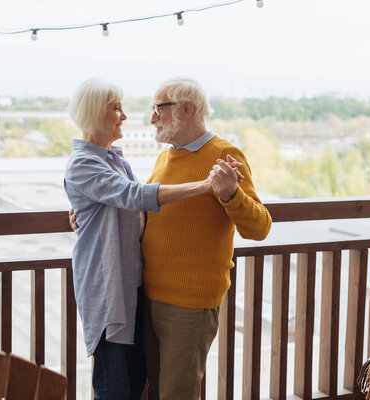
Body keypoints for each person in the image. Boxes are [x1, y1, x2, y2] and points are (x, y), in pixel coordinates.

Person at [64, 78, 231, 400]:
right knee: (115, 387)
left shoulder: (113, 158)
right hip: (109, 291)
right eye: (116, 108)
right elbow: (135, 196)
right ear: (96, 114)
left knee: (136, 384)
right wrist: (205, 185)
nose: (125, 116)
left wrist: (86, 217)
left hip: (136, 290)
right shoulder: (85, 162)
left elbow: (131, 209)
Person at [142, 77, 272, 400]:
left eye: (158, 108)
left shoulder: (225, 155)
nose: (152, 118)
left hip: (189, 304)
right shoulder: (165, 158)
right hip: (149, 296)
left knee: (177, 394)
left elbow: (259, 227)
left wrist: (230, 194)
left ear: (186, 109)